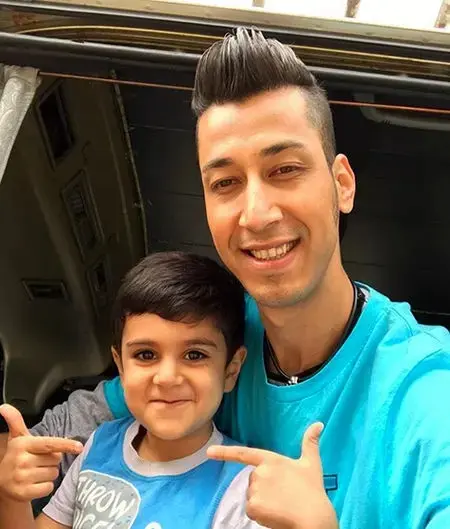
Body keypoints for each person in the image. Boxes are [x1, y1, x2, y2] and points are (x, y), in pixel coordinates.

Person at [1, 26, 450, 528]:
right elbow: (69, 425)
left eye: (285, 169)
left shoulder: (426, 395)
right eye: (226, 182)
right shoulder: (210, 333)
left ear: (341, 184)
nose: (256, 214)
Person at [0, 251, 332, 529]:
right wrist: (12, 497)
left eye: (195, 355)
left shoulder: (242, 489)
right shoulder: (99, 444)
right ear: (121, 366)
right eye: (146, 355)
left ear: (231, 370)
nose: (167, 377)